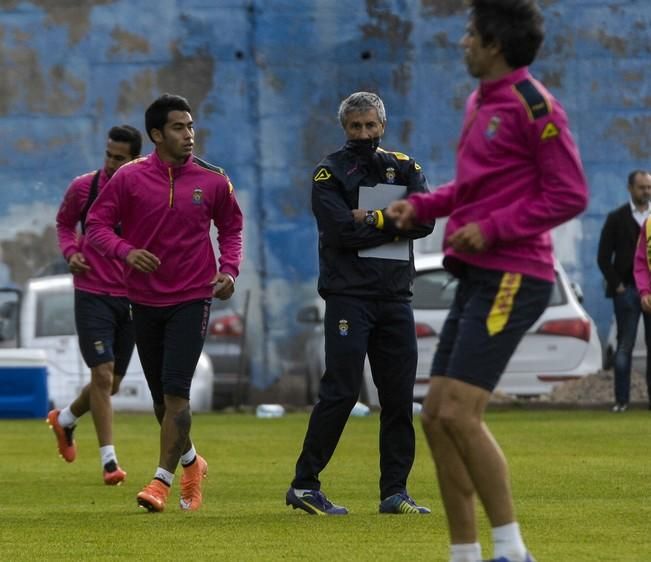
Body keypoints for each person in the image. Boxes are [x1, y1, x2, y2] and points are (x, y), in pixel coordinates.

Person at [387, 1, 588, 561]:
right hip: (477, 273)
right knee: (434, 417)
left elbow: (570, 194)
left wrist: (494, 229)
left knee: (457, 413)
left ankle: (511, 550)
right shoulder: (481, 101)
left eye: (470, 34)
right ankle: (465, 553)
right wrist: (424, 205)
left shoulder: (535, 105)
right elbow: (477, 186)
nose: (462, 43)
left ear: (495, 44)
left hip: (514, 274)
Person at [85, 93, 243, 512]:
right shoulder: (129, 178)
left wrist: (229, 270)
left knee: (176, 394)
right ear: (156, 134)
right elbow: (97, 227)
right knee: (161, 401)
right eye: (178, 127)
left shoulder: (213, 179)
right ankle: (192, 463)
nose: (189, 135)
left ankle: (161, 482)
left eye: (190, 126)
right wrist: (126, 252)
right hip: (143, 299)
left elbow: (231, 227)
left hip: (193, 298)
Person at [285, 91, 434, 516]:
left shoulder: (405, 167)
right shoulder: (328, 173)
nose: (364, 133)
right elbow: (339, 234)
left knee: (398, 397)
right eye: (356, 127)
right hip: (349, 296)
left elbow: (425, 220)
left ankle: (395, 492)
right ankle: (305, 484)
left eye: (371, 126)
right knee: (342, 391)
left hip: (395, 296)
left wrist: (373, 217)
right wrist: (396, 223)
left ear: (382, 126)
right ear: (344, 128)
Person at [48, 124, 143, 485]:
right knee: (101, 375)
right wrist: (71, 252)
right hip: (92, 292)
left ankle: (66, 420)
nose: (111, 163)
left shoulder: (143, 192)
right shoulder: (84, 187)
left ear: (136, 159)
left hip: (132, 296)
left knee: (113, 383)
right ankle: (109, 462)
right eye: (108, 155)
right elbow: (62, 223)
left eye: (120, 158)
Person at [598, 170, 651, 412]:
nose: (646, 192)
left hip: (650, 291)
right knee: (624, 346)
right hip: (627, 291)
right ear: (630, 188)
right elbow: (603, 258)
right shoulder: (616, 218)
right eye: (642, 187)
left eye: (649, 187)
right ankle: (622, 400)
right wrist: (617, 285)